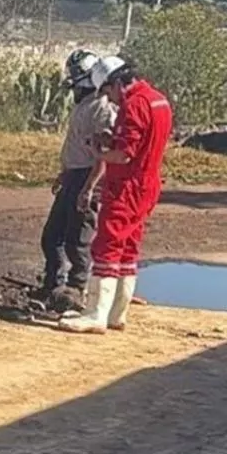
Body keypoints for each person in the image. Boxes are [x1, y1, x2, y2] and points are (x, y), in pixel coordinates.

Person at [60, 55, 172, 334]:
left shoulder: (133, 105)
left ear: (117, 83)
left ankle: (95, 314)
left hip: (126, 187)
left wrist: (99, 152)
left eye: (108, 92)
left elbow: (124, 155)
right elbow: (142, 141)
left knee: (107, 247)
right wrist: (111, 140)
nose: (110, 100)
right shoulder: (158, 100)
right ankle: (116, 313)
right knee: (128, 248)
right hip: (147, 184)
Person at [33, 49, 117, 311]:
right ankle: (53, 284)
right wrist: (65, 173)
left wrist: (89, 188)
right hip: (73, 175)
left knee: (77, 239)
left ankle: (76, 290)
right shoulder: (83, 104)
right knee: (52, 237)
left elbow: (102, 155)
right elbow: (78, 145)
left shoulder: (102, 109)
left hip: (87, 177)